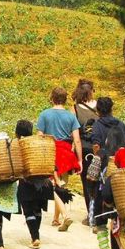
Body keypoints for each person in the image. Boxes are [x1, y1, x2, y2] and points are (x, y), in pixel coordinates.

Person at [89, 97, 125, 249]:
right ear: (111, 109)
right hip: (124, 173)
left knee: (101, 214)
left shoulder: (96, 126)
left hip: (105, 173)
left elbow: (96, 147)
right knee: (122, 210)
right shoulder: (121, 124)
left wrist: (102, 157)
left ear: (98, 111)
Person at [36, 87, 82, 232]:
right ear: (65, 99)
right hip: (67, 153)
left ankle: (64, 215)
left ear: (52, 98)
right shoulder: (71, 116)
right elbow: (77, 140)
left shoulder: (45, 114)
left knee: (51, 186)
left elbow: (39, 136)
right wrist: (79, 160)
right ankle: (56, 218)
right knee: (62, 186)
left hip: (51, 151)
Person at [15, 120, 52, 249]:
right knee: (38, 210)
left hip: (26, 183)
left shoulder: (19, 145)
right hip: (44, 183)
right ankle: (36, 234)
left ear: (17, 133)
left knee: (29, 211)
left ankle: (35, 237)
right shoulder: (39, 143)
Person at [71, 79, 97, 224]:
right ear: (92, 90)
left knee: (88, 183)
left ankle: (91, 214)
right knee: (100, 181)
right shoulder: (100, 106)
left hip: (86, 149)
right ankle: (101, 213)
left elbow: (74, 134)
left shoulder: (75, 109)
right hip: (100, 149)